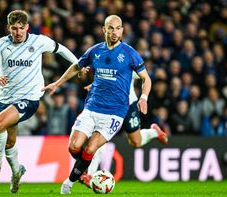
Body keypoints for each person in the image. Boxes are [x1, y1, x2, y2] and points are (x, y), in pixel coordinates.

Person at [42, 15, 152, 194]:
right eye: (111, 28)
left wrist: (144, 97)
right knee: (74, 147)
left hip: (115, 112)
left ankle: (68, 184)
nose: (114, 32)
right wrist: (57, 83)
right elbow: (77, 67)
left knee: (91, 148)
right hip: (92, 106)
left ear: (122, 31)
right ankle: (85, 170)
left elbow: (146, 79)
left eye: (117, 28)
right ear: (104, 29)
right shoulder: (95, 51)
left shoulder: (130, 53)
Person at [0, 10, 78, 193]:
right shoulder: (0, 45)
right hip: (5, 99)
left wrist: (78, 64)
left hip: (29, 98)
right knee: (10, 142)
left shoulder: (39, 41)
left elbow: (61, 49)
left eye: (21, 28)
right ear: (8, 28)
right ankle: (16, 172)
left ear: (27, 27)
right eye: (14, 29)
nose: (18, 32)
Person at [79, 72, 168, 186]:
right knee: (97, 138)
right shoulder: (104, 58)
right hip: (109, 106)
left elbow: (143, 76)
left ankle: (154, 132)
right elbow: (104, 76)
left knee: (136, 142)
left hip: (128, 105)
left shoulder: (127, 60)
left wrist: (144, 96)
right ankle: (89, 175)